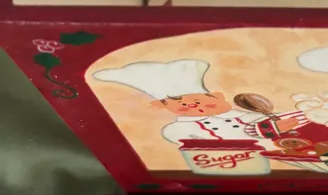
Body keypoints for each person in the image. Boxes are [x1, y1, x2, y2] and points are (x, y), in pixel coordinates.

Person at [92, 59, 299, 144]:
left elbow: (274, 120)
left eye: (205, 102)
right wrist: (266, 130)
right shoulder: (178, 129)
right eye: (183, 105)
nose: (194, 106)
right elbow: (210, 143)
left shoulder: (242, 114)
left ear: (218, 97)